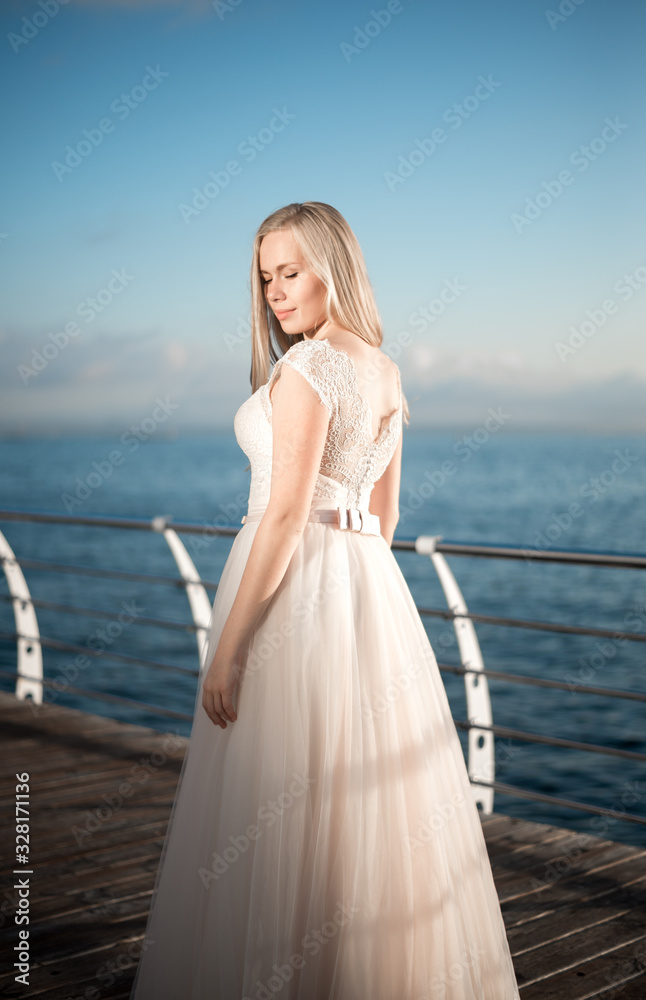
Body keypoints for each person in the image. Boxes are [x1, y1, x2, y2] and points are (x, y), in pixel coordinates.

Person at [130, 201, 521, 999]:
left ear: (332, 267)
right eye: (266, 276)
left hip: (292, 592)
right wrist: (358, 595)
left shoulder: (306, 369)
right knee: (355, 802)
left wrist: (233, 644)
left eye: (291, 271)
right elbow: (386, 517)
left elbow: (283, 512)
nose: (275, 291)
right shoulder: (385, 368)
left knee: (273, 800)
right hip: (367, 590)